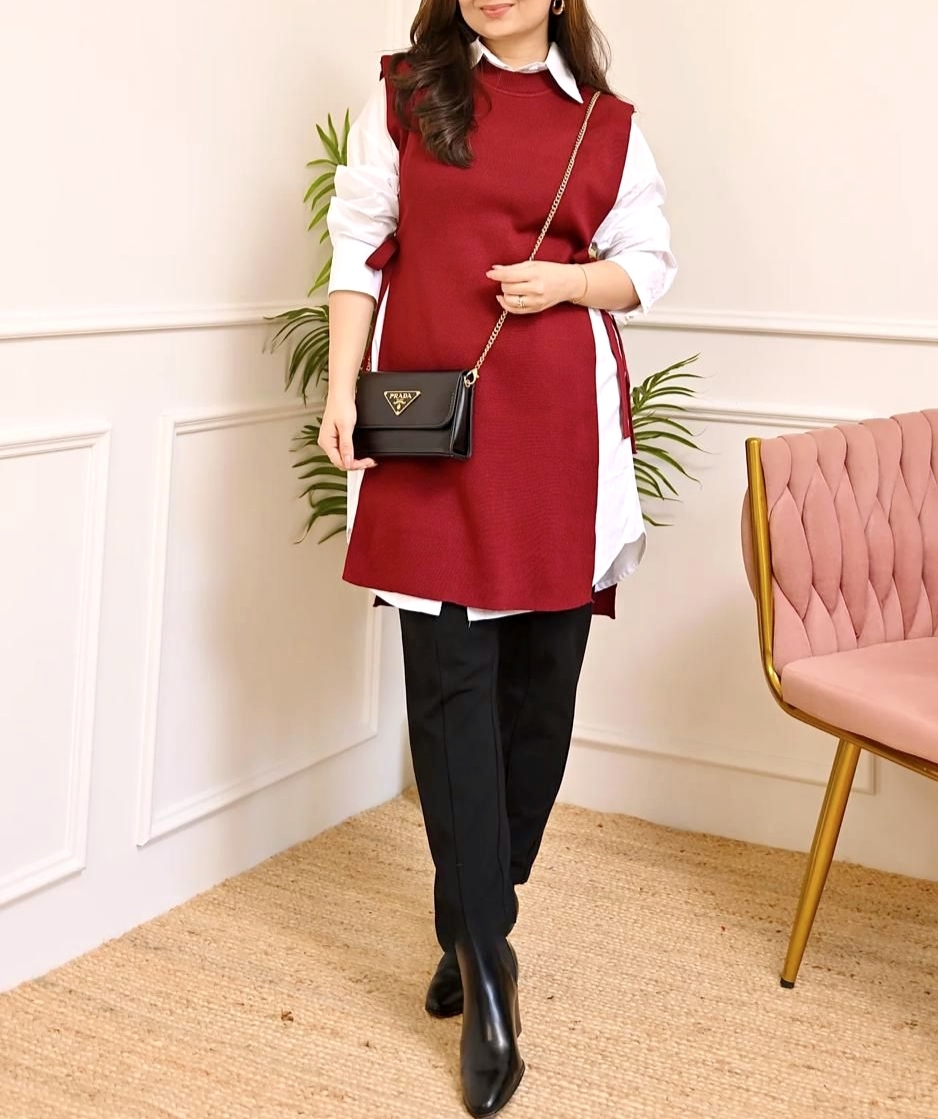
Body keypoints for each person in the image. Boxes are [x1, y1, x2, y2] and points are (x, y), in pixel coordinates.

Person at [320, 1, 675, 1114]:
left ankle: (477, 910)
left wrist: (568, 284)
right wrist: (339, 388)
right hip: (432, 432)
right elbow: (356, 245)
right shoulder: (406, 94)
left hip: (561, 436)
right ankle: (487, 970)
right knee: (448, 694)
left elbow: (649, 263)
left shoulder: (606, 124)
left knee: (539, 698)